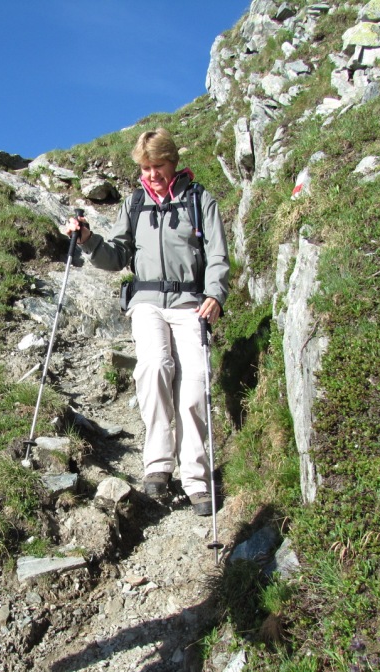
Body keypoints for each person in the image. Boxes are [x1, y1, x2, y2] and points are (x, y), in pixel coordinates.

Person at [67, 128, 229, 517]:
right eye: (145, 167)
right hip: (147, 302)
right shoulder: (135, 203)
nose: (152, 174)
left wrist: (215, 296)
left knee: (192, 388)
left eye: (158, 166)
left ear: (172, 162)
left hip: (191, 302)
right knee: (155, 367)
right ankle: (158, 465)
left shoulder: (199, 200)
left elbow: (218, 256)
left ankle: (195, 477)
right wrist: (89, 239)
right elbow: (117, 254)